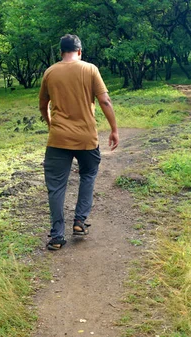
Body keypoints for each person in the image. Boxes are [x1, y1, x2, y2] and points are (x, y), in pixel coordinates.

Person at [38, 34, 119, 251]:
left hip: (58, 139)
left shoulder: (50, 72)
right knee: (88, 175)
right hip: (87, 138)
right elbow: (104, 100)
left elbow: (42, 104)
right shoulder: (90, 69)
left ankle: (56, 236)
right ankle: (79, 222)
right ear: (80, 51)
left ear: (61, 52)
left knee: (56, 187)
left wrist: (51, 124)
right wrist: (114, 129)